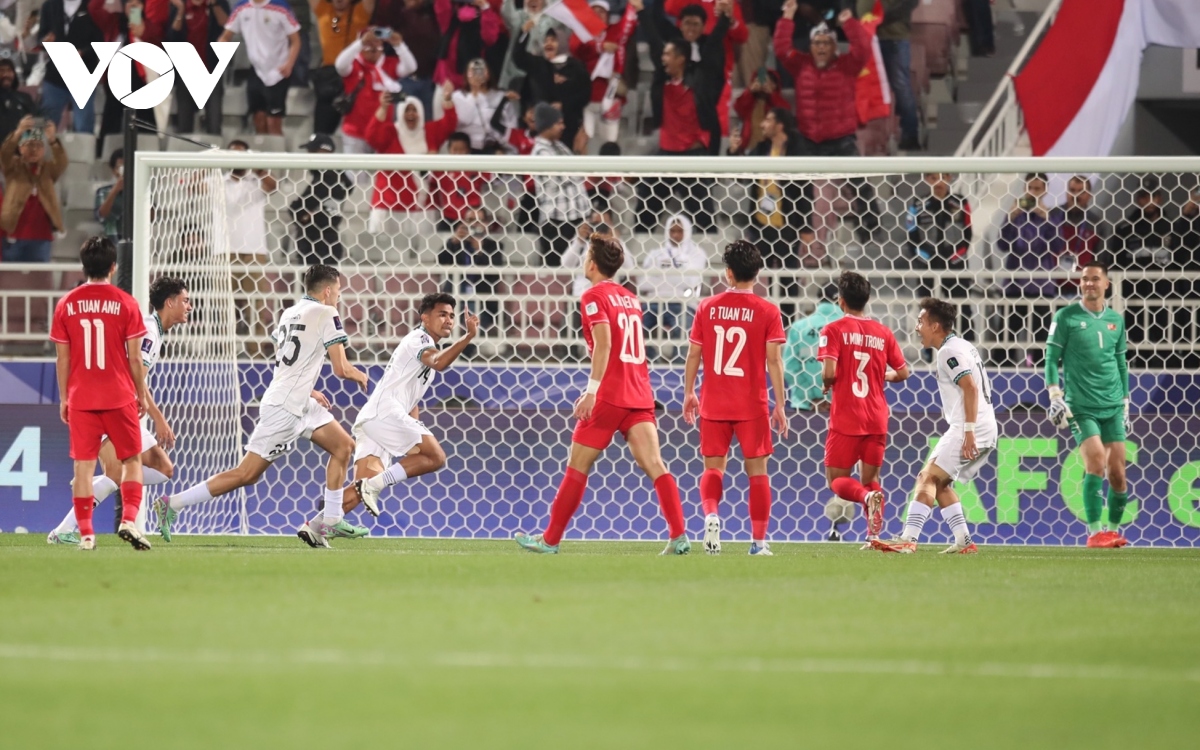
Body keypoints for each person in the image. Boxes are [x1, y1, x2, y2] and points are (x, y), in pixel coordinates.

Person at [159, 265, 371, 547]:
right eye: (339, 292)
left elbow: (286, 362)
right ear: (328, 290)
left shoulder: (289, 313)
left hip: (298, 400)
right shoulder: (326, 312)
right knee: (247, 474)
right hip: (285, 408)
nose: (340, 299)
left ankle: (330, 519)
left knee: (344, 447)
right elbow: (341, 368)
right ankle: (172, 504)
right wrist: (362, 376)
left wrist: (309, 389)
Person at [514, 236, 690, 554]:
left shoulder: (592, 296)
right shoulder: (630, 298)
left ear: (592, 264)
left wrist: (591, 392)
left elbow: (606, 344)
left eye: (586, 256)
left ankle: (550, 540)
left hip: (609, 394)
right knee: (655, 464)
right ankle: (679, 536)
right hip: (640, 394)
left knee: (577, 466)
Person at [48, 278, 192, 545]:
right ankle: (64, 530)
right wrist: (159, 419)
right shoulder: (149, 331)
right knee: (118, 473)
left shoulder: (154, 330)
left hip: (120, 402)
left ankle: (93, 485)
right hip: (111, 404)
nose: (190, 306)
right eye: (185, 300)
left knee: (163, 469)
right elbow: (132, 374)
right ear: (169, 302)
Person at [682, 240, 788, 555]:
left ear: (728, 273)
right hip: (752, 405)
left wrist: (689, 392)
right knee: (758, 473)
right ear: (757, 274)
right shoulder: (768, 311)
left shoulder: (706, 307)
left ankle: (712, 515)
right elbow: (774, 361)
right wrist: (780, 404)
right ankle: (758, 543)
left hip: (714, 402)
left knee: (713, 469)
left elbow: (693, 355)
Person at [49, 237, 152, 551]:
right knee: (132, 461)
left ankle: (86, 536)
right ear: (113, 266)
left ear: (83, 266)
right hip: (119, 395)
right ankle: (129, 521)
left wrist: (65, 398)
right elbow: (135, 358)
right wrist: (142, 394)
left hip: (82, 398)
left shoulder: (66, 304)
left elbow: (62, 358)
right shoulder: (126, 302)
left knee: (83, 467)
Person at [872, 298, 994, 555]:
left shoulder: (949, 351)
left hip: (968, 426)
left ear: (936, 326)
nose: (917, 327)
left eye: (921, 322)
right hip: (982, 424)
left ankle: (908, 538)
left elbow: (970, 387)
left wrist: (969, 430)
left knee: (926, 477)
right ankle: (964, 541)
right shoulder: (962, 345)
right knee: (941, 484)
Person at [341, 293, 480, 518]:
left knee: (360, 487)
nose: (449, 320)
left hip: (375, 419)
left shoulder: (423, 345)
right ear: (425, 318)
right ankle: (374, 486)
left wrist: (413, 428)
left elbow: (411, 400)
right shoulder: (420, 339)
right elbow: (439, 362)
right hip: (384, 414)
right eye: (442, 314)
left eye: (452, 316)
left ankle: (318, 524)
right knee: (436, 457)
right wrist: (468, 337)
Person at [816, 270, 910, 544]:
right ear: (866, 300)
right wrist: (883, 376)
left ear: (841, 300)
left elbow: (829, 371)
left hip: (847, 417)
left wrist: (827, 383)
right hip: (877, 417)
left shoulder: (832, 330)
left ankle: (865, 498)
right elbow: (903, 373)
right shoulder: (883, 333)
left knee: (837, 481)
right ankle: (873, 535)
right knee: (871, 477)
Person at [1044, 262, 1132, 549]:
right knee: (1095, 461)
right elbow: (1050, 359)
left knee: (1118, 474)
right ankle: (1095, 533)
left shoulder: (1116, 321)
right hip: (1080, 405)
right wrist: (1055, 394)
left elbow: (1120, 362)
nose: (1089, 283)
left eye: (1095, 279)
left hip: (1113, 406)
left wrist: (1126, 401)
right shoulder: (1066, 316)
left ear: (1107, 284)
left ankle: (1113, 530)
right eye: (1084, 279)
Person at [632, 0, 727, 233]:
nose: (662, 58)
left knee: (705, 222)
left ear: (681, 58)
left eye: (668, 54)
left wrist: (724, 19)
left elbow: (713, 45)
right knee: (644, 216)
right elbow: (655, 42)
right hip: (665, 156)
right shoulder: (661, 80)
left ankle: (711, 266)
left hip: (693, 158)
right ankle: (632, 264)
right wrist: (642, 12)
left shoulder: (701, 79)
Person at [364, 86, 458, 255]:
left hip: (423, 207)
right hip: (390, 204)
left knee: (424, 257)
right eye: (407, 110)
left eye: (415, 110)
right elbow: (371, 136)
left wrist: (447, 99)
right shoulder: (391, 132)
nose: (411, 114)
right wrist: (384, 107)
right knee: (385, 256)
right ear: (399, 113)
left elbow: (450, 123)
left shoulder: (430, 131)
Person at [222, 139, 275, 356]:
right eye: (233, 154)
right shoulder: (217, 180)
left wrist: (258, 167)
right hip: (224, 250)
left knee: (256, 305)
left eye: (242, 154)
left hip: (254, 250)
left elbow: (273, 186)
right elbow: (192, 186)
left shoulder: (257, 179)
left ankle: (256, 351)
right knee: (224, 307)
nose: (238, 158)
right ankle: (225, 351)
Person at [219, 0, 302, 135]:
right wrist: (221, 44)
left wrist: (289, 64)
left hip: (278, 70)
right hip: (256, 69)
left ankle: (277, 153)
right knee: (258, 118)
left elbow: (296, 40)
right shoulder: (240, 7)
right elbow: (226, 35)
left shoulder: (281, 7)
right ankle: (261, 152)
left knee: (273, 121)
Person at [335, 26, 418, 154]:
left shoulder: (389, 64)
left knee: (381, 174)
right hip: (355, 132)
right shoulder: (353, 65)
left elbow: (411, 67)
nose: (373, 46)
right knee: (355, 174)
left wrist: (399, 45)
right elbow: (339, 65)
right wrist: (361, 42)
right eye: (369, 42)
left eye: (377, 41)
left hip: (381, 131)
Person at [570, 0, 638, 144]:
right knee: (586, 143)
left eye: (602, 11)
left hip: (610, 97)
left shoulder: (614, 32)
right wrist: (600, 47)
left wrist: (632, 6)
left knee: (609, 143)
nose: (597, 15)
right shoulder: (581, 33)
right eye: (594, 11)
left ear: (608, 16)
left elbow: (628, 24)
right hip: (586, 100)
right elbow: (576, 48)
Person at [530, 103, 590, 267]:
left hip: (575, 219)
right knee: (557, 275)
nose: (563, 127)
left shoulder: (560, 146)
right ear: (547, 125)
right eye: (558, 123)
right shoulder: (540, 152)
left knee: (580, 270)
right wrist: (578, 150)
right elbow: (566, 177)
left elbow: (580, 173)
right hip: (556, 222)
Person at [640, 213, 707, 360]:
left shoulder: (697, 253)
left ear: (687, 231)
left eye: (680, 231)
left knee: (683, 327)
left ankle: (680, 365)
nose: (675, 235)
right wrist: (677, 274)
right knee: (638, 325)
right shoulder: (655, 253)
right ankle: (649, 363)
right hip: (654, 302)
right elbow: (643, 283)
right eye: (672, 231)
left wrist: (660, 275)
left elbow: (692, 283)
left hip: (682, 303)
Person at [510, 24, 590, 146]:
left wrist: (563, 104)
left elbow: (584, 95)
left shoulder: (576, 67)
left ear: (562, 42)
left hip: (568, 128)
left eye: (553, 40)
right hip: (541, 129)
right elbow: (518, 57)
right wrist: (524, 33)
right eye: (546, 40)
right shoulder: (539, 64)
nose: (548, 43)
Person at [1, 118, 67, 262]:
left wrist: (52, 140)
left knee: (40, 280)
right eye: (29, 145)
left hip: (42, 238)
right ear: (20, 148)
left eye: (38, 146)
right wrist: (18, 132)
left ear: (44, 150)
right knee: (11, 281)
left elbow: (62, 162)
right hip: (14, 236)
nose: (34, 150)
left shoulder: (49, 170)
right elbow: (4, 155)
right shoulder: (13, 167)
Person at [858, 0, 919, 150]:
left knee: (900, 86)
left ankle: (910, 134)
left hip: (894, 38)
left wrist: (877, 18)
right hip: (869, 37)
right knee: (871, 86)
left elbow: (908, 4)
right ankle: (878, 132)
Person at [38, 0, 105, 133]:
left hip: (83, 74)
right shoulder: (50, 5)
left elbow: (101, 40)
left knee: (83, 125)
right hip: (55, 75)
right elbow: (41, 36)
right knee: (47, 123)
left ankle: (85, 153)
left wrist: (83, 52)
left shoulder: (92, 6)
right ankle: (43, 153)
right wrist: (45, 41)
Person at [165, 0, 230, 134]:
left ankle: (215, 152)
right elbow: (172, 36)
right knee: (184, 125)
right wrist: (181, 10)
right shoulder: (179, 4)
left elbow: (227, 26)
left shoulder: (218, 3)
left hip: (211, 71)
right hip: (186, 72)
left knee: (214, 123)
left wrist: (215, 5)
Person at [309, 0, 373, 134]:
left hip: (354, 78)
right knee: (321, 134)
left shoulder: (360, 11)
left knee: (358, 133)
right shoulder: (323, 9)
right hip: (329, 78)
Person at [289, 134, 353, 266]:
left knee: (315, 285)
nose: (308, 156)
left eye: (311, 151)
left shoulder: (327, 178)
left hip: (316, 245)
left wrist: (306, 214)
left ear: (323, 152)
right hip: (326, 242)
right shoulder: (338, 176)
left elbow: (296, 210)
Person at [1000, 172, 1057, 298]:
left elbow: (1058, 247)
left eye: (1037, 189)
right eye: (1029, 188)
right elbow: (1002, 245)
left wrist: (1047, 220)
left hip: (1042, 285)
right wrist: (1010, 219)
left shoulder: (1053, 216)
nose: (1032, 192)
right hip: (1015, 285)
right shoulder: (1016, 215)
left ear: (1045, 191)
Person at [783, 291, 843, 411]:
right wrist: (830, 398)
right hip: (841, 406)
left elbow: (788, 367)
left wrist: (810, 396)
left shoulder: (799, 327)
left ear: (819, 298)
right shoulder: (851, 327)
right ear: (842, 299)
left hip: (805, 406)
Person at [450, 58, 512, 150]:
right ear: (466, 75)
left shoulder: (501, 97)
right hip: (466, 149)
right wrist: (475, 93)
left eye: (480, 70)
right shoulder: (457, 97)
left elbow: (511, 126)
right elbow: (462, 121)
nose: (476, 74)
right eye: (472, 71)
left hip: (495, 147)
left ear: (488, 73)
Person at [0, 58, 36, 143]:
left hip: (21, 149)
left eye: (9, 71)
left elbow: (35, 125)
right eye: (1, 71)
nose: (6, 74)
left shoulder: (24, 98)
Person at [94, 148, 124, 243]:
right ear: (113, 170)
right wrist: (115, 191)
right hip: (111, 244)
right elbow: (102, 215)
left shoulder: (141, 190)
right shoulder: (103, 191)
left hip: (136, 246)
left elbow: (152, 217)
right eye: (119, 167)